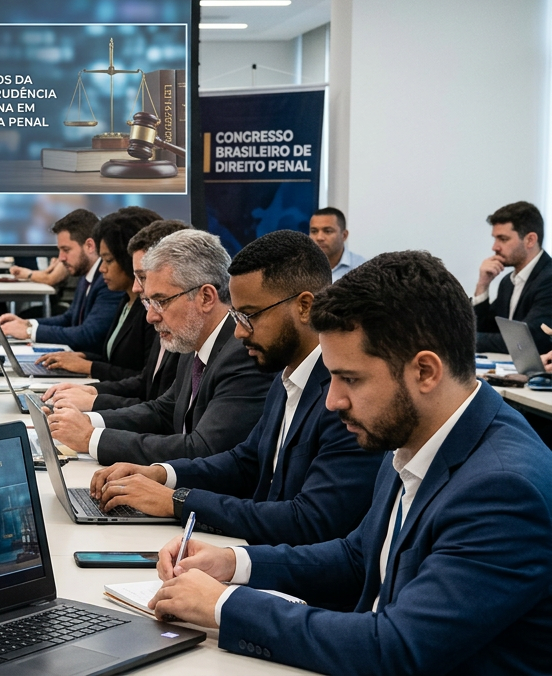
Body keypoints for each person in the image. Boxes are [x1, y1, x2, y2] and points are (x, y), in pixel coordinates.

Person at [149, 251, 552, 675]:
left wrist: (225, 605)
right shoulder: (415, 434)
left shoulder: (503, 490)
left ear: (425, 372)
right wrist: (234, 563)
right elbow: (358, 557)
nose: (332, 400)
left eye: (351, 379)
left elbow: (397, 648)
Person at [89, 230, 382, 551]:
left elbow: (309, 520)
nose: (239, 332)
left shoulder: (343, 399)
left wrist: (177, 501)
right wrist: (161, 474)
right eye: (236, 316)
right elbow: (246, 461)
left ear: (304, 307)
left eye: (249, 316)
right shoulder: (286, 374)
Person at [45, 229, 271, 465]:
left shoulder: (243, 353)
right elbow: (163, 411)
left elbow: (204, 448)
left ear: (206, 297)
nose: (150, 316)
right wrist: (87, 421)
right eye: (149, 302)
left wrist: (91, 438)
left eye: (161, 301)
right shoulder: (194, 339)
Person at [44, 219, 187, 412]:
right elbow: (146, 383)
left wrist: (93, 399)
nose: (137, 287)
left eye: (142, 277)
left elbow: (164, 411)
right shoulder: (141, 305)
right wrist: (91, 391)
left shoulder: (171, 321)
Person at [33, 207, 161, 379]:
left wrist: (90, 367)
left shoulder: (149, 310)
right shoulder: (126, 299)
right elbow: (115, 360)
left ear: (128, 260)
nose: (102, 268)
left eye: (108, 260)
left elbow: (145, 380)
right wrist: (84, 358)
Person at [0, 209, 125, 353]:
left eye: (66, 250)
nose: (61, 258)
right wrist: (28, 324)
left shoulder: (107, 279)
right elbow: (69, 318)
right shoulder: (86, 274)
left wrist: (29, 332)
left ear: (89, 246)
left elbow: (89, 335)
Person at [473, 201, 552, 353]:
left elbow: (526, 341)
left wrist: (465, 339)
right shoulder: (508, 282)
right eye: (495, 239)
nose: (495, 247)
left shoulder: (548, 279)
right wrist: (483, 285)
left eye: (503, 239)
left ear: (530, 240)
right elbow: (485, 329)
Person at [308, 207, 364, 281]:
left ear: (344, 235)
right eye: (314, 231)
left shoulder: (361, 268)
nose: (319, 238)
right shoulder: (301, 266)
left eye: (327, 231)